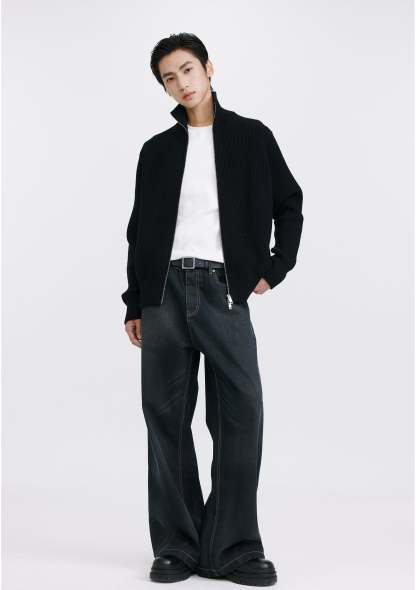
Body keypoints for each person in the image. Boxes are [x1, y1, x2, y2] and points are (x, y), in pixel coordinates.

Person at [121, 32, 303, 586]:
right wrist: (134, 301)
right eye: (169, 78)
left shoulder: (251, 136)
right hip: (163, 293)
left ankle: (234, 548)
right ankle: (176, 546)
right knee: (166, 421)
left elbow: (289, 204)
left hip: (224, 289)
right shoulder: (156, 150)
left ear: (208, 68)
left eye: (187, 69)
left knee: (241, 416)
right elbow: (139, 231)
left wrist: (274, 266)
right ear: (164, 88)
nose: (181, 83)